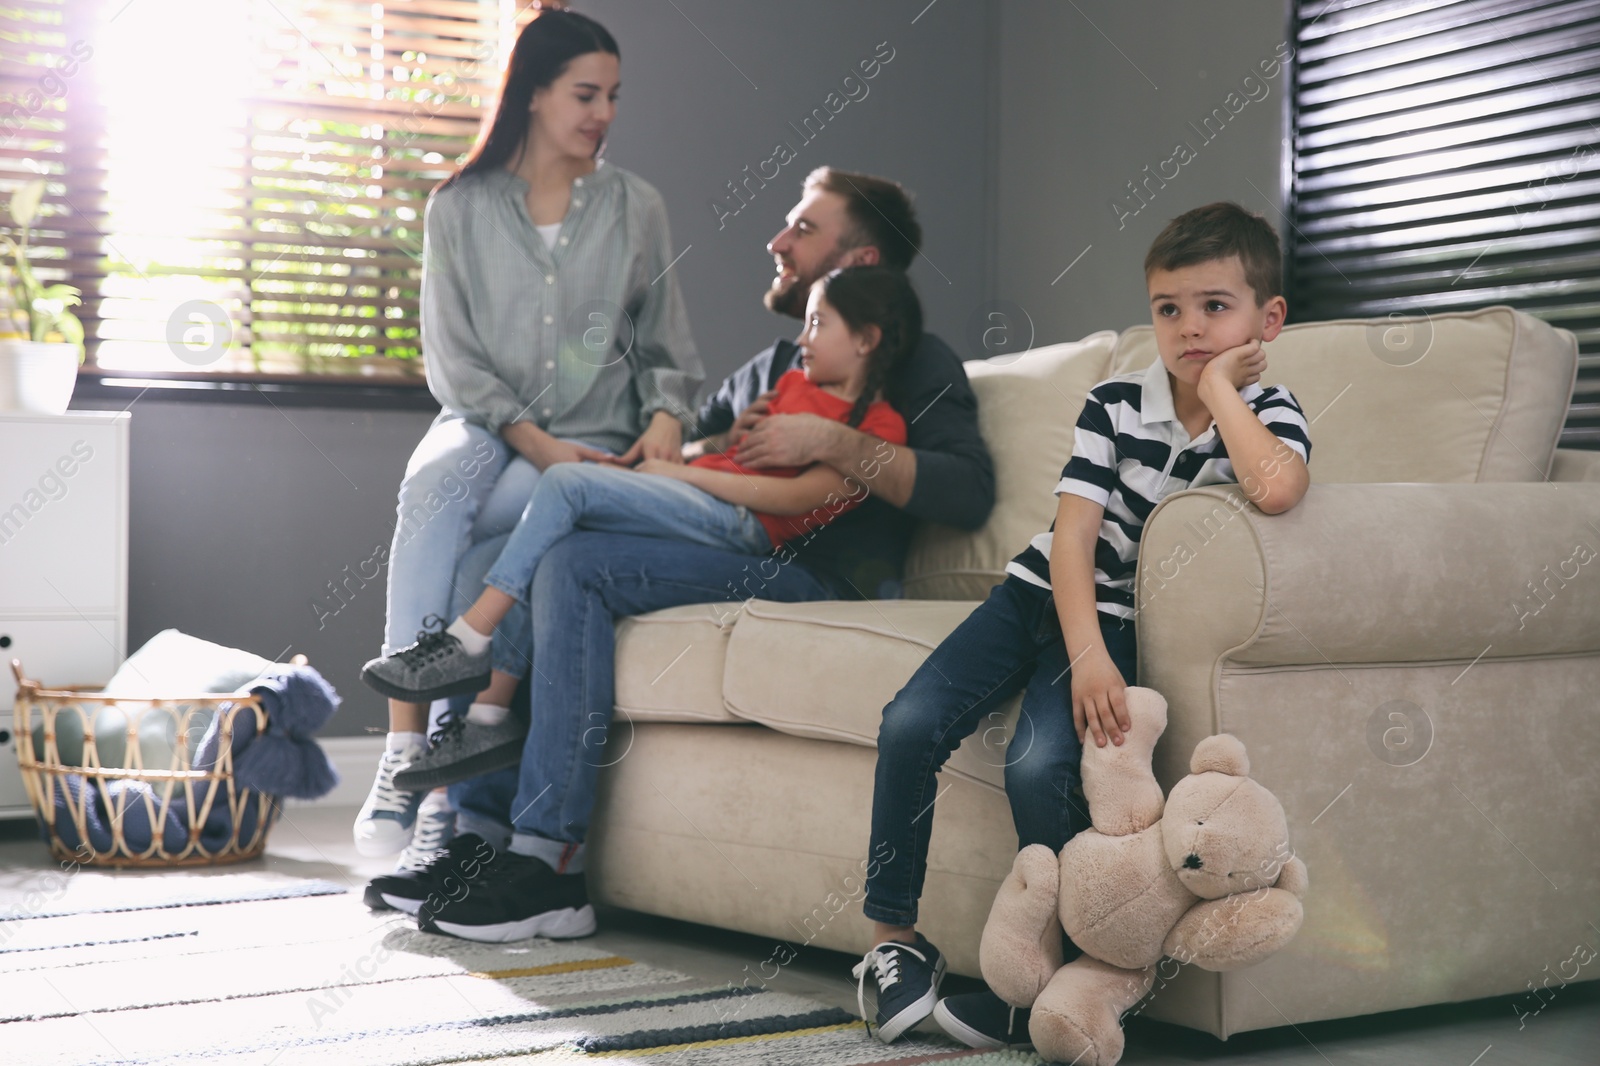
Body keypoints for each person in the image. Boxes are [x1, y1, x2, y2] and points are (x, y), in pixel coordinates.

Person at [359, 168, 997, 941]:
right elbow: (696, 448)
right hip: (725, 542)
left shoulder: (917, 362)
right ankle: (478, 838)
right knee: (521, 547)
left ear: (859, 265)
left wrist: (831, 439)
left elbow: (967, 492)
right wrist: (694, 440)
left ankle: (548, 864)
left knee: (573, 567)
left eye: (803, 229)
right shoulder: (776, 366)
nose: (778, 242)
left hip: (812, 574)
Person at [852, 202, 1314, 1047]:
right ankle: (892, 945)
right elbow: (1071, 540)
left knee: (1039, 768)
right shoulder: (1115, 402)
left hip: (1125, 624)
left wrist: (1218, 390)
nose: (1189, 328)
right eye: (1168, 309)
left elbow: (1279, 488)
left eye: (1216, 306)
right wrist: (1088, 655)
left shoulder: (1270, 413)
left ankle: (1050, 981)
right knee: (910, 721)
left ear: (1267, 319)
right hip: (1040, 596)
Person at [353, 7, 701, 867]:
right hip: (484, 424)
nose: (603, 112)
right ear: (536, 93)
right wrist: (531, 438)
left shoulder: (635, 207)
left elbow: (669, 348)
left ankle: (442, 788)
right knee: (434, 485)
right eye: (586, 93)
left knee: (476, 563)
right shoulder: (458, 209)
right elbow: (454, 360)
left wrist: (665, 418)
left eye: (614, 96)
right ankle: (402, 746)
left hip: (594, 441)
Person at [359, 267, 919, 783]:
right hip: (696, 496)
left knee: (562, 485)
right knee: (544, 535)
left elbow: (794, 498)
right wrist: (707, 449)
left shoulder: (879, 428)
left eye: (818, 323)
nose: (802, 339)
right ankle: (487, 713)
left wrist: (678, 477)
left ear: (866, 340)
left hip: (744, 527)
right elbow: (729, 452)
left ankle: (471, 637)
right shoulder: (793, 388)